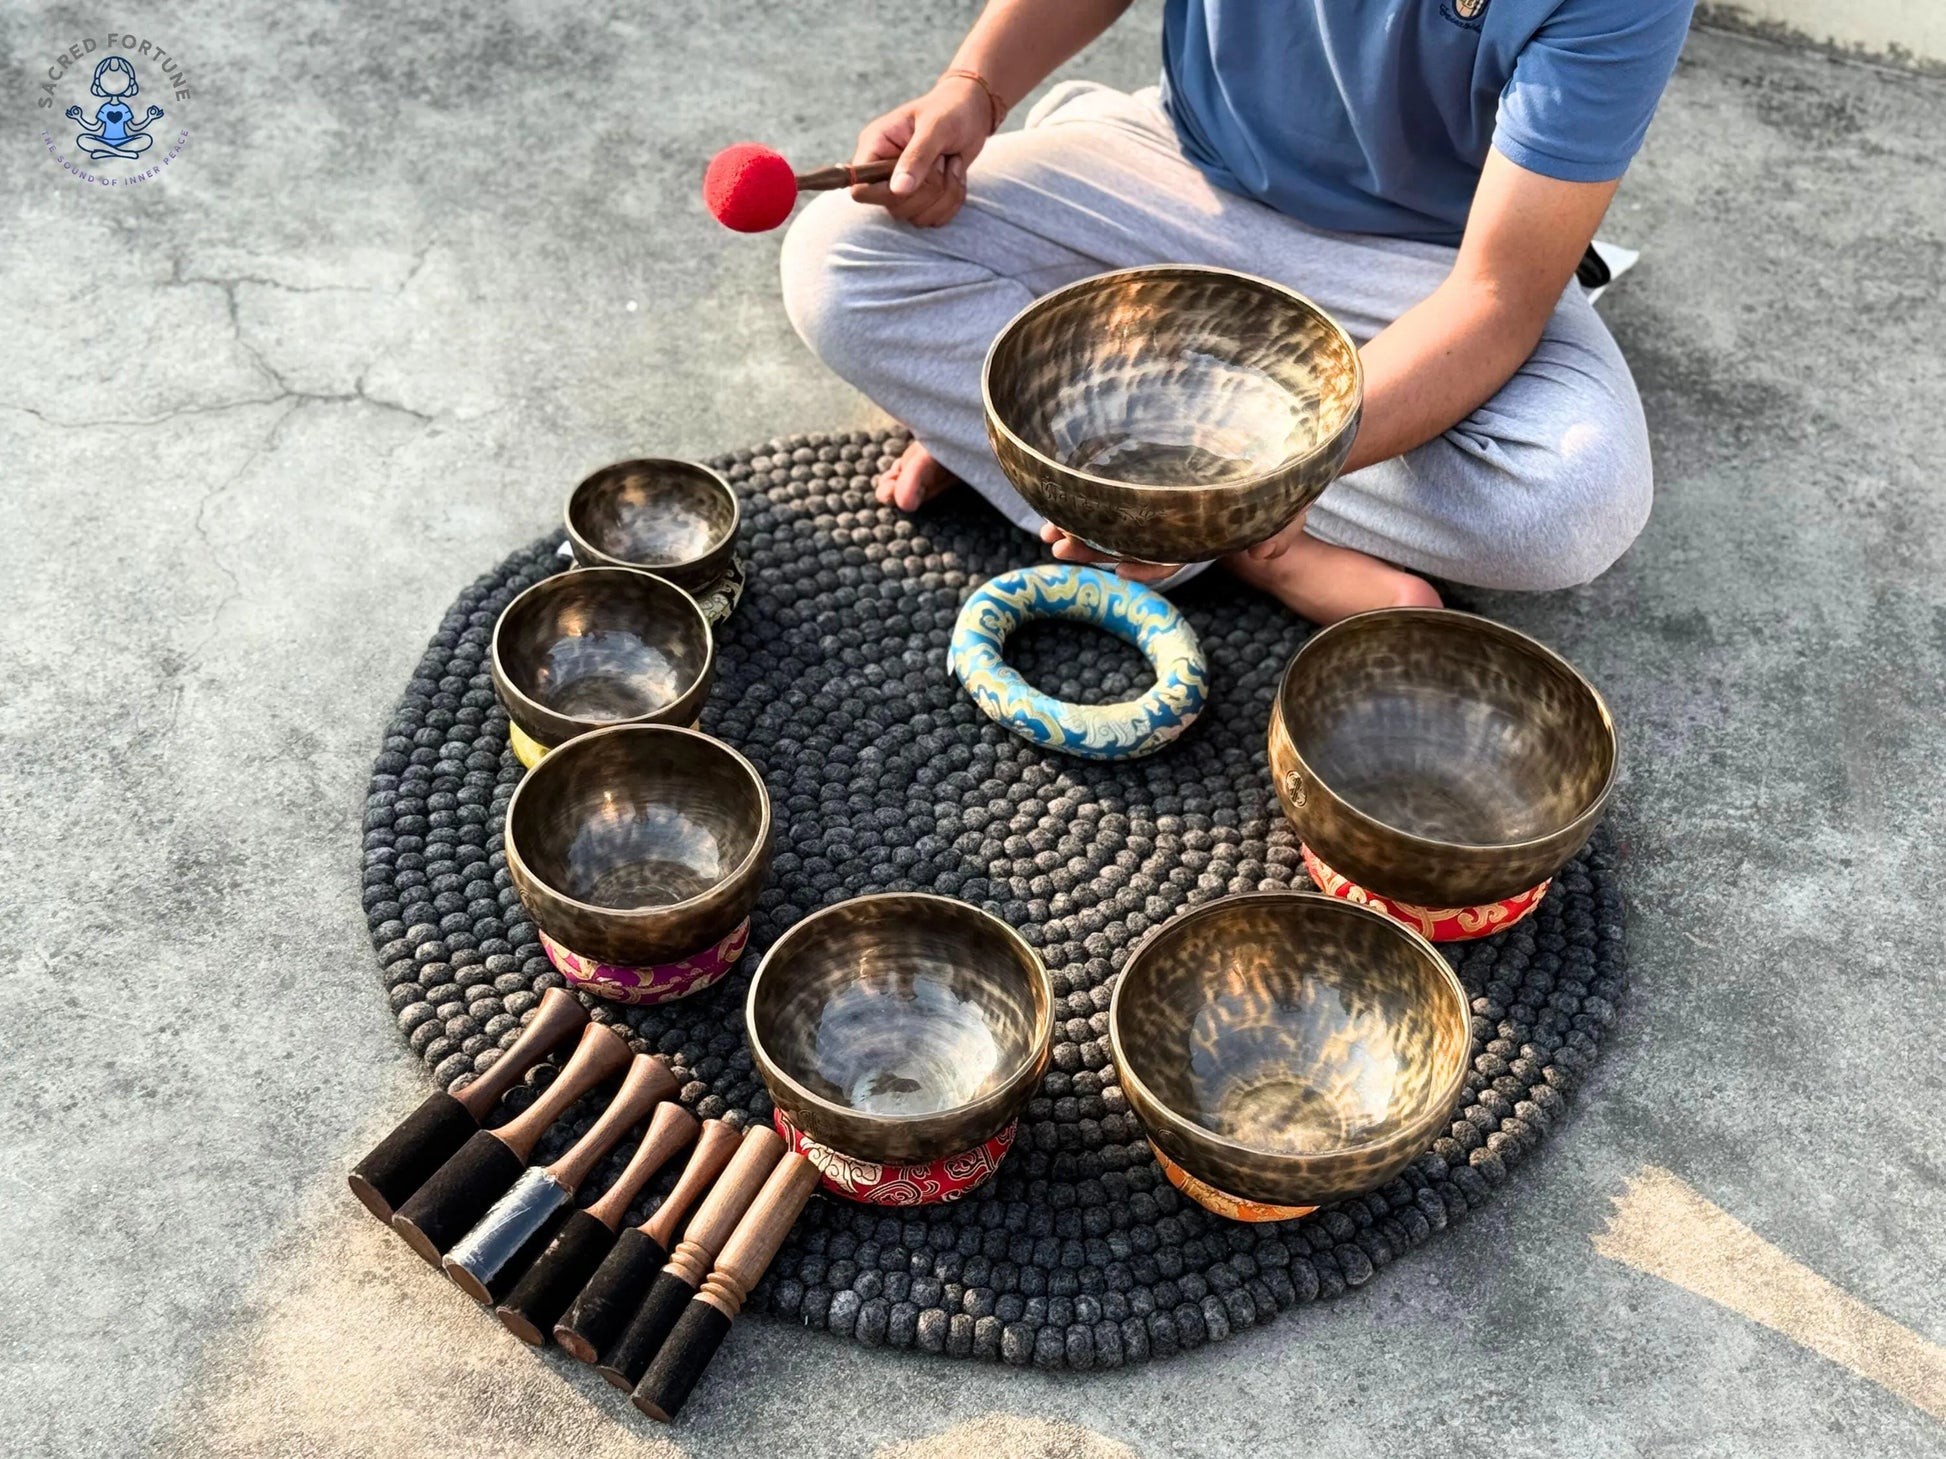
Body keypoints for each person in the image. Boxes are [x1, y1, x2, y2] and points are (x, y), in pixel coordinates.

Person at [781, 0, 1694, 623]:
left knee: (1574, 501)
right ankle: (1248, 542)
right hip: (1179, 170)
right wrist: (973, 86)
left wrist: (1262, 473)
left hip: (1431, 268)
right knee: (838, 263)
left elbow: (1495, 298)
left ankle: (1062, 446)